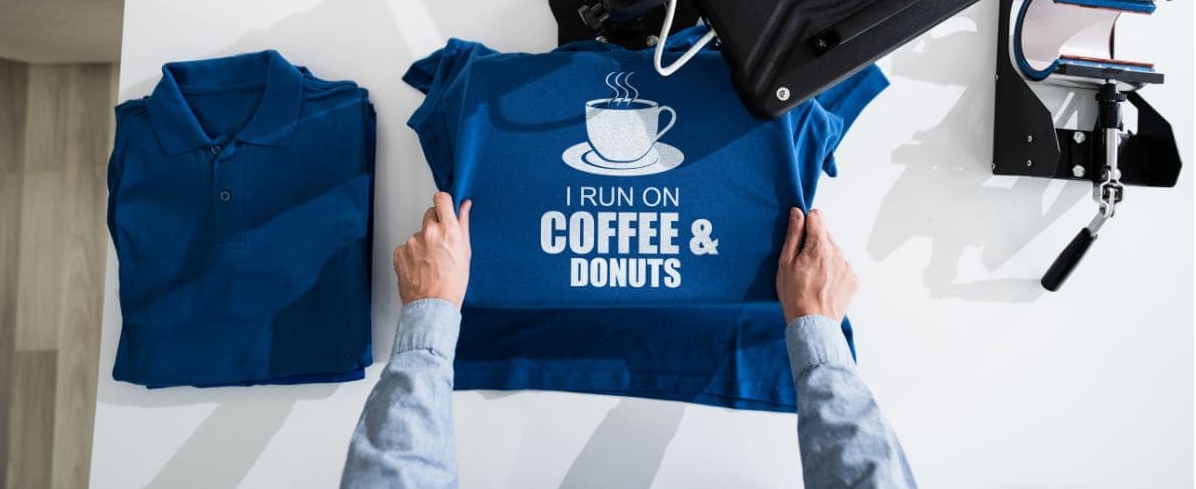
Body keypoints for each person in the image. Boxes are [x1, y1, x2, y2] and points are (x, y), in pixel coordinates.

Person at [341, 193, 916, 488]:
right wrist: (817, 329)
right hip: (751, 357)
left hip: (495, 350)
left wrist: (429, 319)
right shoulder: (791, 84)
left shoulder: (477, 83)